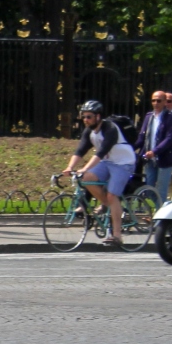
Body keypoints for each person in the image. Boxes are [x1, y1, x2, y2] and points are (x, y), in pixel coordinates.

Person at [63, 100, 136, 247]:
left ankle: (116, 235)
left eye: (89, 116)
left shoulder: (110, 128)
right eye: (83, 116)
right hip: (108, 162)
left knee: (112, 195)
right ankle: (106, 204)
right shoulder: (89, 131)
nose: (85, 120)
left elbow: (101, 153)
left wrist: (84, 168)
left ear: (98, 116)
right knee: (86, 178)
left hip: (123, 163)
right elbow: (81, 150)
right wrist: (69, 167)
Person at [136, 90, 172, 203]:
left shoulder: (170, 117)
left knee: (161, 191)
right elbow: (142, 137)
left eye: (159, 101)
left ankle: (159, 219)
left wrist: (155, 151)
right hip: (149, 159)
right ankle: (160, 212)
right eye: (153, 100)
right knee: (149, 190)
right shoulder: (149, 116)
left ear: (164, 102)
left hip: (165, 159)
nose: (156, 103)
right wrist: (129, 148)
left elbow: (170, 139)